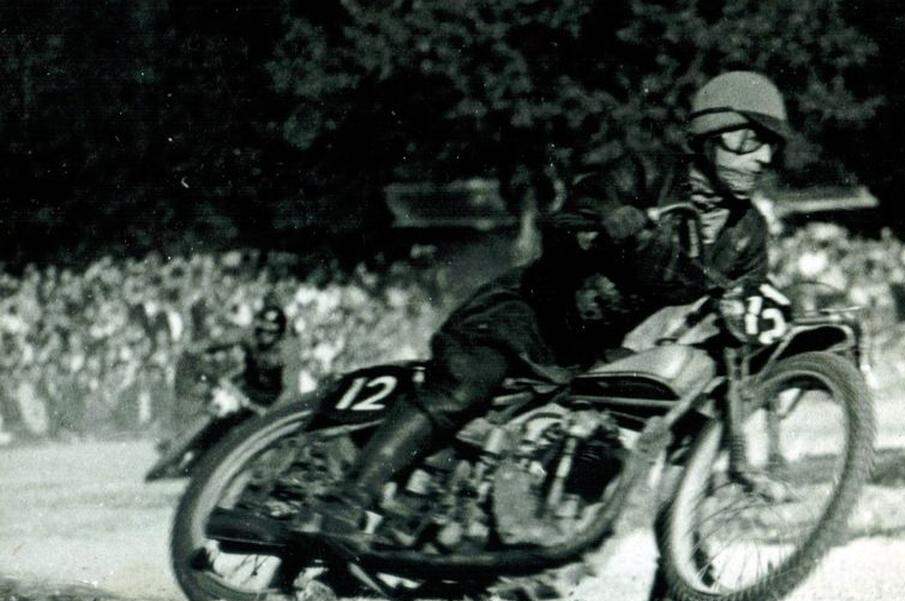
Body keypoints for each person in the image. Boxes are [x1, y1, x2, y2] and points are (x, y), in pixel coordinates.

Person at [301, 71, 794, 554]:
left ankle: (550, 550)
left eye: (769, 146)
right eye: (748, 141)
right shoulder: (644, 173)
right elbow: (563, 227)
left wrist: (753, 317)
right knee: (462, 388)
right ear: (709, 137)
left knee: (610, 438)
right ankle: (347, 501)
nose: (762, 158)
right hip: (527, 315)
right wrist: (605, 229)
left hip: (589, 351)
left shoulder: (745, 233)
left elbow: (749, 299)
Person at [148, 304, 302, 480]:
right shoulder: (250, 334)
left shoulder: (289, 349)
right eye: (262, 330)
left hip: (273, 400)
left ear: (281, 332)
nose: (264, 335)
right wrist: (196, 348)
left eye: (271, 332)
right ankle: (179, 447)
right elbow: (221, 341)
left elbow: (290, 389)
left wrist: (272, 414)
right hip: (247, 389)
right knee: (213, 411)